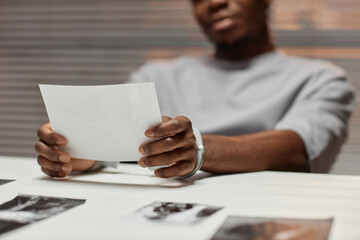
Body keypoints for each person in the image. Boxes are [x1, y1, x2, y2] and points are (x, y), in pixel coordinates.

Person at [35, 0, 355, 179]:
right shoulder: (155, 75)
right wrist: (77, 152)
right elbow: (121, 148)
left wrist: (198, 148)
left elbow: (297, 151)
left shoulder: (322, 78)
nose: (214, 3)